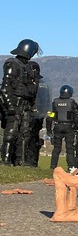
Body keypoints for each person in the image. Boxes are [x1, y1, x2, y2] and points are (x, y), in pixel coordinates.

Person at [0, 38, 41, 166]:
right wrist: (10, 105)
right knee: (11, 133)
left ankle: (21, 160)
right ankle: (5, 160)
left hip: (26, 106)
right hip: (15, 104)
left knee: (25, 134)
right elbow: (5, 88)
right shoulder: (12, 64)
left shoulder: (29, 68)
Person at [46, 85, 78, 171]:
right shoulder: (72, 103)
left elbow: (50, 118)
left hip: (58, 126)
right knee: (70, 148)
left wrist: (49, 130)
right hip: (69, 127)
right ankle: (70, 167)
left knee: (57, 148)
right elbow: (77, 118)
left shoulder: (55, 103)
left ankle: (53, 166)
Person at [26, 60, 50, 167]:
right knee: (34, 139)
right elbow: (47, 101)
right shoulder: (44, 85)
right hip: (40, 115)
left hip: (29, 114)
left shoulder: (28, 82)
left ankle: (27, 161)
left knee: (27, 138)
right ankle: (33, 162)